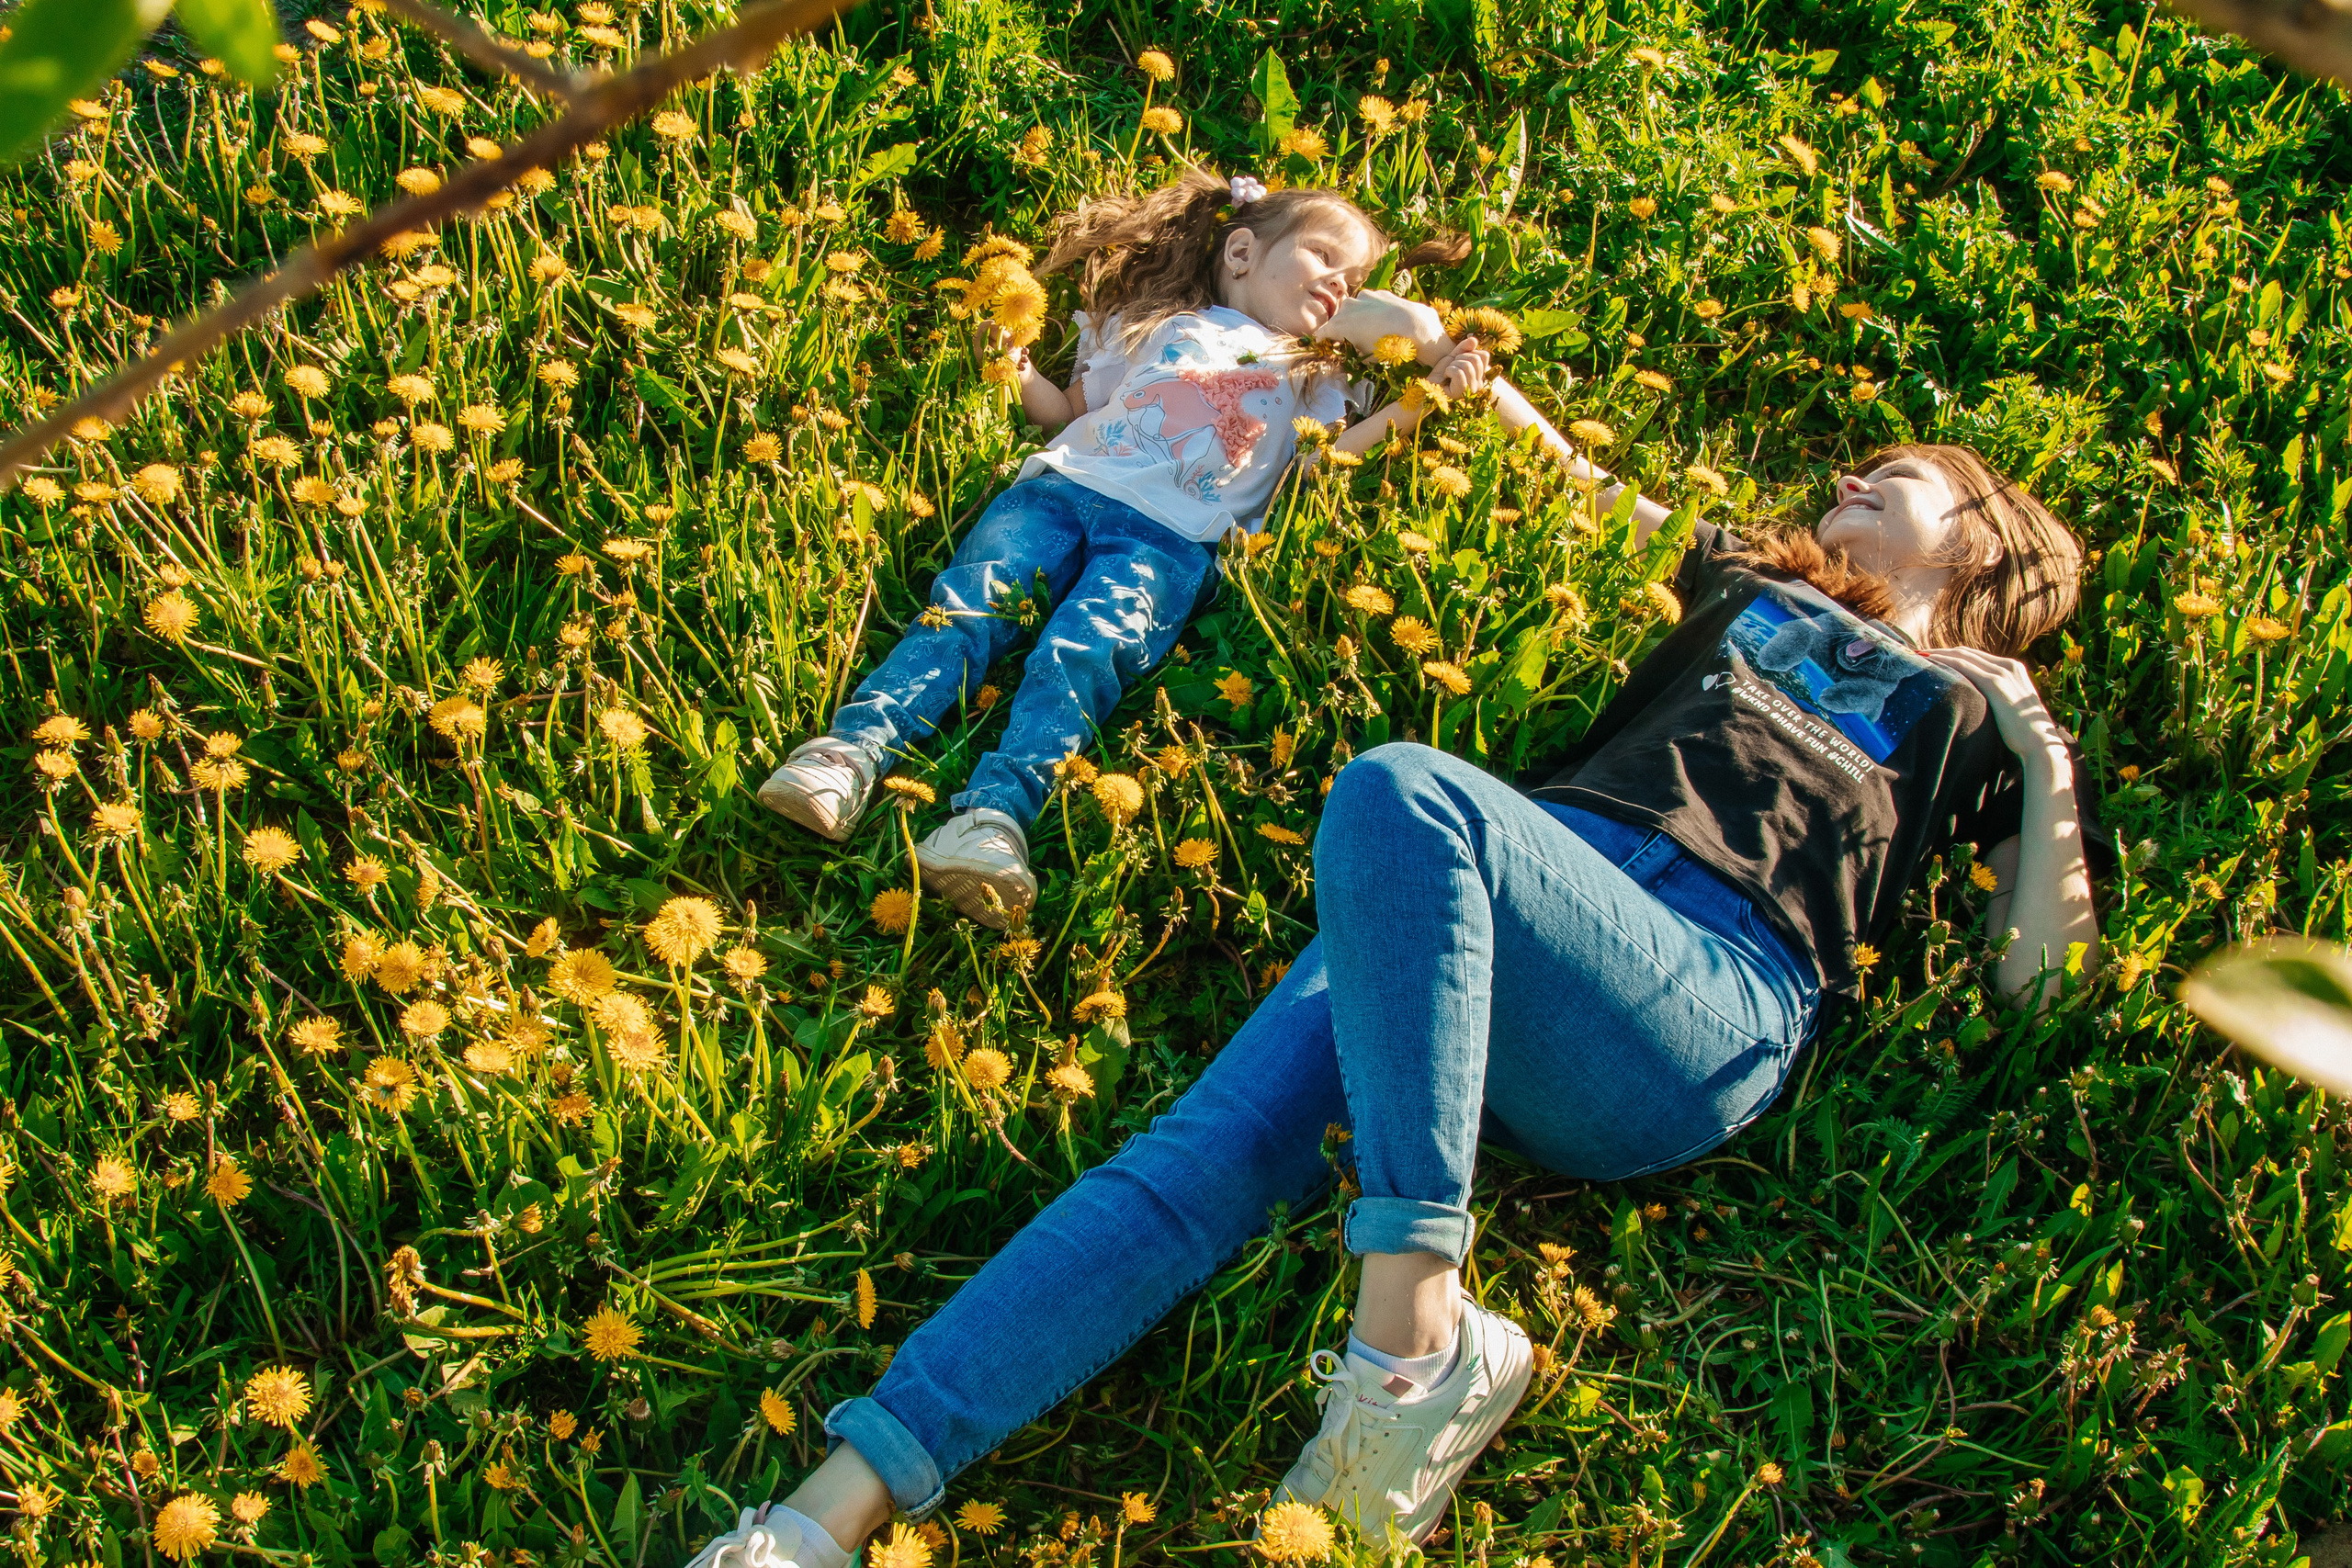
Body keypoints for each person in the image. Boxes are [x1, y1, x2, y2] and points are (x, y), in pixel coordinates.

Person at [690, 432, 2105, 1566]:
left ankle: (1408, 1330)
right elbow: (1577, 475)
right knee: (1200, 1155)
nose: (1849, 481)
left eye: (1896, 479)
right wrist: (1448, 371)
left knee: (1407, 790)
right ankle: (815, 1519)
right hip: (1500, 898)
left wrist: (2042, 762)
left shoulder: (1976, 714)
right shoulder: (1751, 575)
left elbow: (2040, 984)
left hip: (1703, 994)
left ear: (1986, 537)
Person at [754, 166, 1487, 929]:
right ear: (1240, 254)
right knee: (969, 606)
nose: (1341, 285)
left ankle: (994, 819)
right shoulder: (1165, 324)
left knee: (1086, 654)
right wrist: (1018, 370)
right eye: (1324, 258)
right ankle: (850, 750)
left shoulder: (1312, 376)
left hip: (1173, 541)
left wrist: (1423, 398)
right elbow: (1068, 411)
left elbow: (1325, 464)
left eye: (1357, 281)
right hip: (1064, 487)